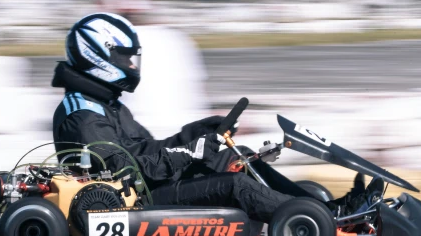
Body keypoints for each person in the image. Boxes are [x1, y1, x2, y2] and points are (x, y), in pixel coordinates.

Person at [51, 13, 365, 223]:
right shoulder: (83, 117)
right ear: (97, 56)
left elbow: (147, 149)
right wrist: (189, 153)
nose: (132, 65)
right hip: (133, 202)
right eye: (124, 57)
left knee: (234, 158)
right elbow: (125, 172)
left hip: (144, 189)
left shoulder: (106, 104)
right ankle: (320, 219)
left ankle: (327, 210)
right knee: (235, 185)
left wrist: (198, 132)